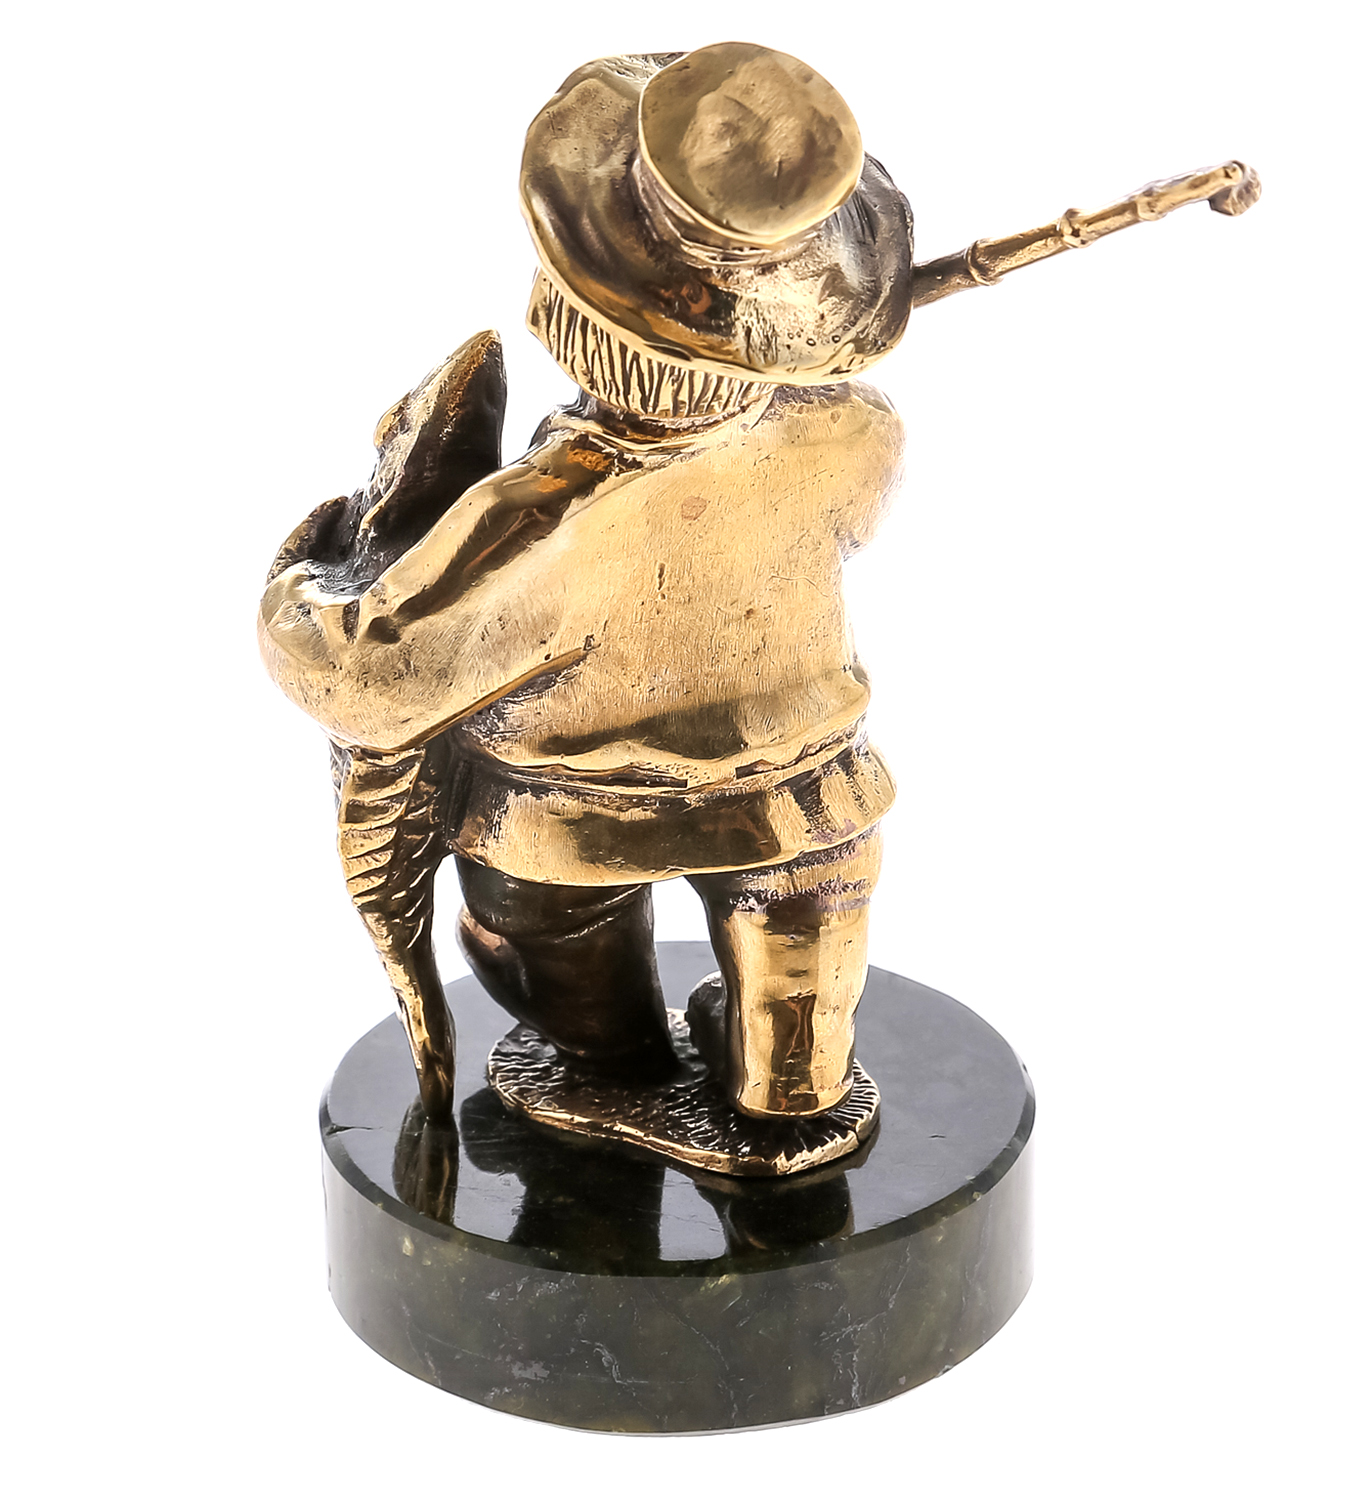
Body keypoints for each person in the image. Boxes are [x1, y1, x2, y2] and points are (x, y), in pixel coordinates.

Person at [259, 44, 912, 1139]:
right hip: (809, 786)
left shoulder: (542, 514)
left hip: (566, 820)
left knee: (540, 941)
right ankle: (788, 1091)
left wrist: (311, 565)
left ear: (567, 315)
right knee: (805, 945)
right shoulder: (852, 426)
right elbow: (860, 513)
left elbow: (372, 675)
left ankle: (615, 1066)